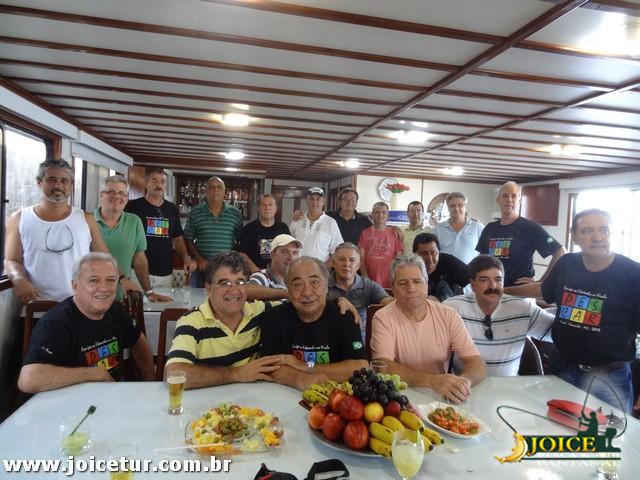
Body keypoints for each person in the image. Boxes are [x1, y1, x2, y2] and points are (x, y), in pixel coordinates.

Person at [506, 209, 640, 413]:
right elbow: (544, 289)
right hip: (563, 367)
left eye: (604, 230)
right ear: (574, 236)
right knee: (556, 426)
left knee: (609, 432)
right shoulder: (567, 263)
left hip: (608, 376)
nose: (597, 237)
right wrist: (502, 291)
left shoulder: (633, 274)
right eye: (588, 231)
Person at [18, 253, 155, 393]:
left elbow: (138, 340)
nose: (104, 288)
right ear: (75, 285)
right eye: (94, 280)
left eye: (110, 280)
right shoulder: (55, 324)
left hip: (110, 398)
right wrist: (93, 374)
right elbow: (28, 379)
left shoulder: (115, 311)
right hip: (68, 403)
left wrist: (149, 383)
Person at [370, 255, 487, 403]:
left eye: (417, 281)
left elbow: (476, 363)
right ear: (393, 289)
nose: (411, 289)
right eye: (403, 283)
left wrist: (463, 383)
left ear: (427, 284)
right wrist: (432, 381)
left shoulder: (448, 315)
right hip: (398, 395)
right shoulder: (383, 318)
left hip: (440, 397)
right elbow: (383, 366)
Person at [165, 251, 284, 389]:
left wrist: (286, 293)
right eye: (224, 283)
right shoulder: (192, 321)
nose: (234, 291)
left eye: (240, 282)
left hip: (251, 399)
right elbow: (174, 374)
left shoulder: (259, 311)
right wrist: (236, 374)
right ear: (209, 288)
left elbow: (298, 305)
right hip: (207, 400)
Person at [4, 158, 113, 303]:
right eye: (51, 180)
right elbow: (12, 260)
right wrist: (18, 278)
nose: (58, 185)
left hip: (81, 304)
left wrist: (120, 281)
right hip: (37, 304)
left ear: (71, 185)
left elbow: (105, 259)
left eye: (64, 181)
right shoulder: (19, 218)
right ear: (39, 182)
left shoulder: (86, 219)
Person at [260, 256, 369, 390]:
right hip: (285, 394)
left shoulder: (344, 316)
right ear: (287, 289)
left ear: (327, 286)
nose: (307, 292)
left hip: (336, 395)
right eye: (297, 284)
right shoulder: (274, 317)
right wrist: (301, 379)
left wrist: (305, 367)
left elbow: (360, 367)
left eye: (314, 282)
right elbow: (270, 366)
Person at [444, 255, 553, 376]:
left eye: (498, 280)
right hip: (464, 384)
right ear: (472, 285)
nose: (493, 286)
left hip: (507, 386)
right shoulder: (452, 308)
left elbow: (558, 334)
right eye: (484, 280)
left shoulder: (524, 309)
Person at [94, 175, 171, 302]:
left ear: (126, 198)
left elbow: (139, 259)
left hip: (122, 296)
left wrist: (149, 291)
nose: (117, 196)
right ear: (101, 195)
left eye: (122, 193)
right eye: (111, 192)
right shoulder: (87, 221)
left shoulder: (134, 221)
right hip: (91, 297)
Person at [476, 181, 565, 287]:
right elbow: (482, 260)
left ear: (519, 200)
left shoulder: (530, 227)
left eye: (513, 196)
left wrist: (542, 282)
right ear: (498, 200)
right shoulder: (489, 228)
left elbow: (560, 251)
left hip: (520, 291)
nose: (509, 199)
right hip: (493, 288)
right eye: (505, 196)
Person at [125, 168, 196, 290]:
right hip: (136, 271)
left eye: (162, 182)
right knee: (137, 303)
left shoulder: (172, 209)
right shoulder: (132, 207)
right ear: (146, 184)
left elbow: (178, 238)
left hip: (164, 274)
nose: (159, 185)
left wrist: (185, 257)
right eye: (154, 181)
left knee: (163, 303)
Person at [327, 242, 393, 341]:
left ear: (358, 266)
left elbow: (390, 303)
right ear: (333, 263)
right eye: (341, 259)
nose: (347, 264)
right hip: (329, 342)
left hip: (359, 343)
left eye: (352, 260)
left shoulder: (368, 285)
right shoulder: (322, 284)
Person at [184, 176, 243, 287]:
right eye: (211, 187)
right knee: (197, 297)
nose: (215, 190)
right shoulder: (195, 212)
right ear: (206, 192)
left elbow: (240, 241)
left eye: (219, 187)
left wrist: (231, 260)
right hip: (202, 269)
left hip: (227, 270)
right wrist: (199, 259)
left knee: (225, 297)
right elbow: (188, 239)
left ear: (224, 192)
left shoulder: (235, 213)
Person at [237, 193, 290, 272]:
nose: (267, 208)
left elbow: (289, 251)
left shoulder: (283, 228)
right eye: (263, 205)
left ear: (276, 209)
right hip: (254, 273)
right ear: (258, 209)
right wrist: (256, 271)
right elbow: (241, 253)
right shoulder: (248, 228)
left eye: (270, 205)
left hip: (278, 273)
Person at [289, 187, 343, 262]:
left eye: (318, 199)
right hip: (297, 267)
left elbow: (338, 251)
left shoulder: (331, 223)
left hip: (320, 268)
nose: (314, 202)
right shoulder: (297, 219)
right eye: (311, 199)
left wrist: (325, 266)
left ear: (323, 201)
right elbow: (287, 243)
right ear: (307, 201)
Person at [358, 202, 403, 288]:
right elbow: (361, 258)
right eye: (377, 212)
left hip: (389, 281)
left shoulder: (395, 233)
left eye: (383, 212)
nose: (380, 215)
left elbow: (399, 259)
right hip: (369, 280)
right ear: (372, 214)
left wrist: (396, 278)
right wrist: (364, 275)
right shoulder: (364, 233)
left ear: (388, 215)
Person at [413, 233, 469, 302]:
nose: (430, 258)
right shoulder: (409, 269)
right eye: (424, 254)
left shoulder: (449, 262)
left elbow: (472, 278)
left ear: (439, 252)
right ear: (414, 254)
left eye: (433, 253)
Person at [246, 234, 302, 301]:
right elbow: (247, 290)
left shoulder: (298, 279)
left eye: (295, 252)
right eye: (284, 252)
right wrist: (285, 293)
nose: (291, 257)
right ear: (272, 254)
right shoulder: (263, 276)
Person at [434, 192, 484, 264]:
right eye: (452, 206)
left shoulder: (478, 227)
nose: (456, 208)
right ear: (448, 208)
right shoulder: (438, 229)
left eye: (460, 205)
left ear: (465, 207)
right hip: (445, 270)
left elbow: (485, 252)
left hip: (471, 270)